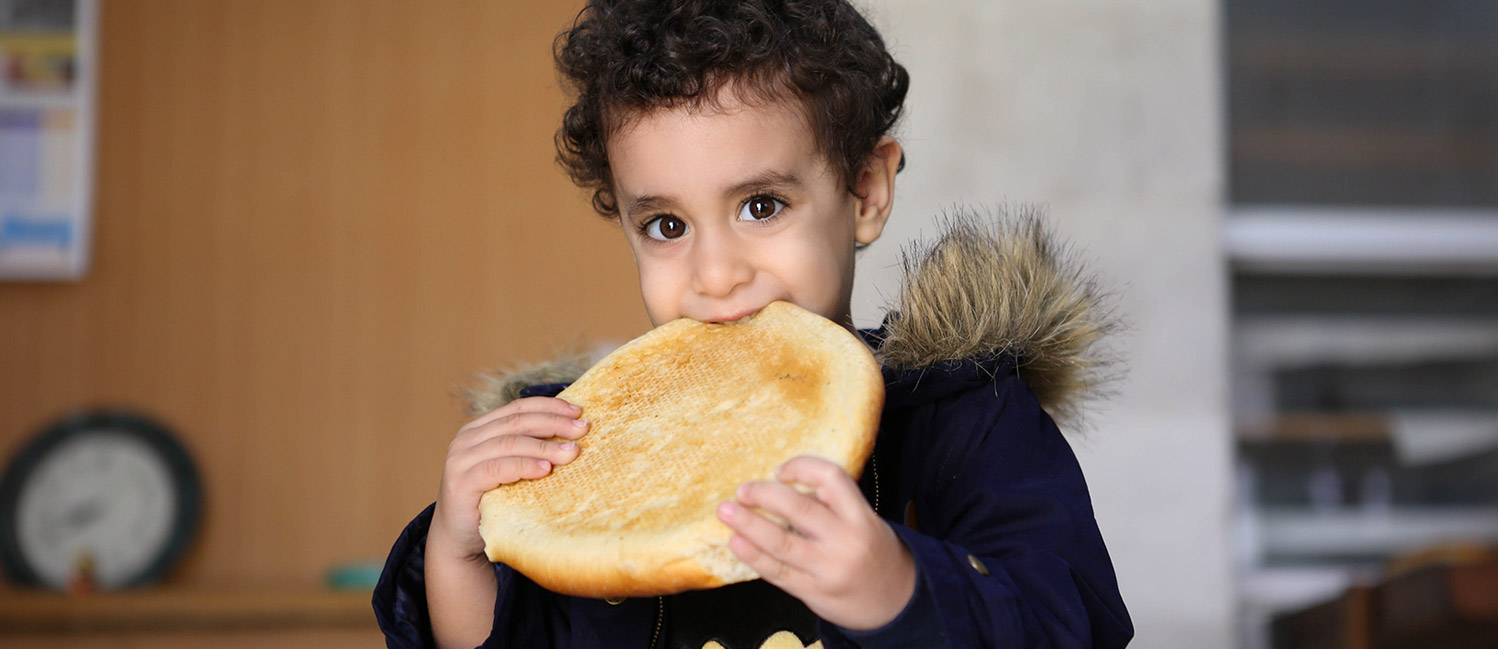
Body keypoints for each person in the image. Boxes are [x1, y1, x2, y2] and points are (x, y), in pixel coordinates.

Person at [374, 1, 1134, 647]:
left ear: (864, 192)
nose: (714, 274)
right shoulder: (576, 456)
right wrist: (459, 554)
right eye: (666, 225)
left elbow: (1072, 619)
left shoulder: (965, 415)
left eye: (761, 206)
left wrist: (900, 587)